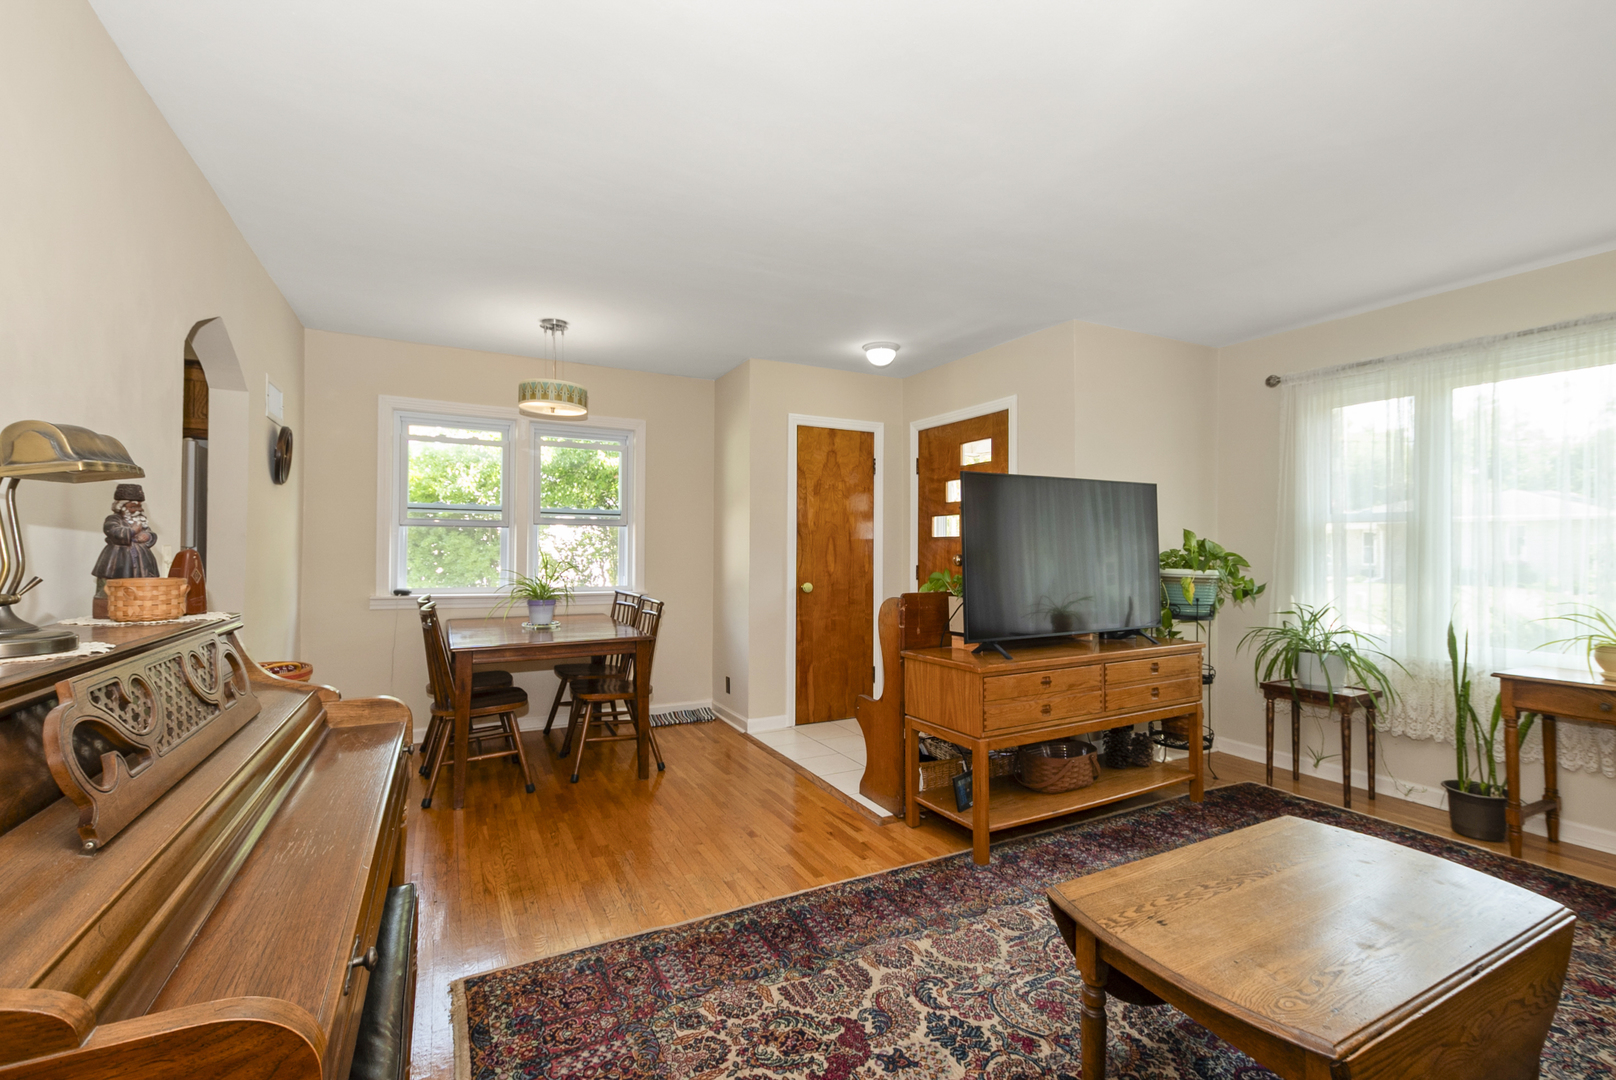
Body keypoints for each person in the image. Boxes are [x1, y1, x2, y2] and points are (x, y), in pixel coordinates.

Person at [93, 483, 159, 584]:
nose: (138, 510)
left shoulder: (140, 520)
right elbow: (113, 531)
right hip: (119, 558)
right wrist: (132, 531)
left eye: (139, 507)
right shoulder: (113, 519)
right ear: (122, 507)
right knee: (117, 585)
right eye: (133, 507)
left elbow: (150, 532)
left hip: (142, 561)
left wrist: (148, 536)